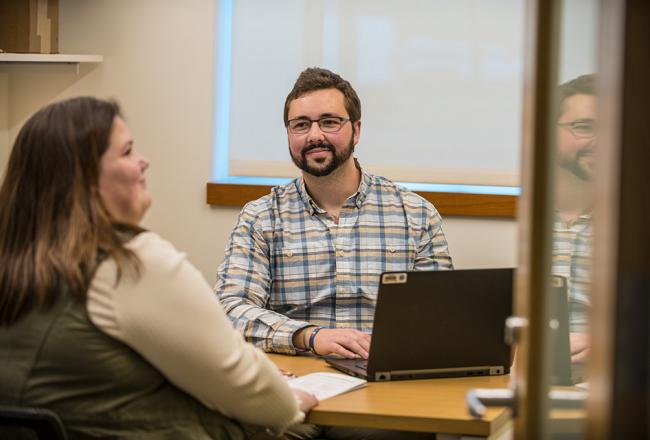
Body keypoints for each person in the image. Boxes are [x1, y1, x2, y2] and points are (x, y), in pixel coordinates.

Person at [0, 97, 317, 439]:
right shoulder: (130, 264)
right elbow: (256, 393)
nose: (142, 162)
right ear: (84, 178)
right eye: (127, 152)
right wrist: (288, 401)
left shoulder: (18, 261)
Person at [216, 67, 453, 359]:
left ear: (356, 129)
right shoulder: (261, 219)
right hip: (298, 376)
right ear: (289, 133)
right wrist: (310, 336)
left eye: (329, 122)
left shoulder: (415, 215)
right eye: (301, 125)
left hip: (383, 373)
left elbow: (440, 315)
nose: (315, 135)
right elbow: (230, 311)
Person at [553, 74, 595, 377]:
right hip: (531, 381)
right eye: (584, 127)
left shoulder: (635, 223)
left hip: (618, 385)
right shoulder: (532, 222)